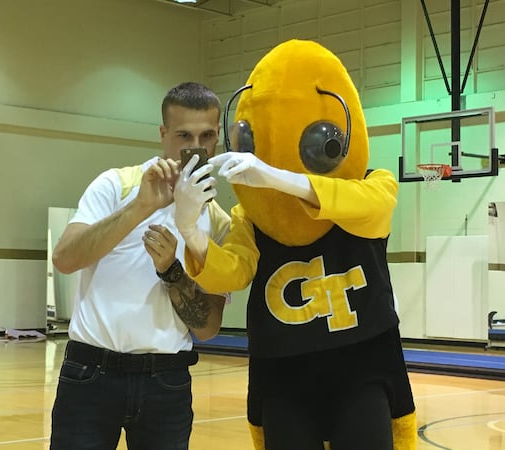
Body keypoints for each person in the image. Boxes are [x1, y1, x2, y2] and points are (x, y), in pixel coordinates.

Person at [175, 40, 416, 450]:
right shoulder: (251, 218)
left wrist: (275, 177)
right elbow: (232, 270)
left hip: (363, 370)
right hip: (284, 374)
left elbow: (372, 209)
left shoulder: (373, 184)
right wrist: (189, 229)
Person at [49, 81, 230, 450]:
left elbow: (209, 327)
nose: (195, 147)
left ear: (217, 139)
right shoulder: (115, 184)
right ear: (163, 134)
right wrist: (140, 208)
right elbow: (64, 259)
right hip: (89, 374)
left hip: (166, 381)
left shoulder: (219, 222)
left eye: (207, 135)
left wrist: (171, 272)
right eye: (183, 134)